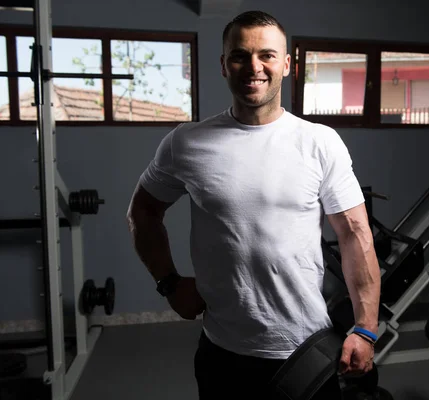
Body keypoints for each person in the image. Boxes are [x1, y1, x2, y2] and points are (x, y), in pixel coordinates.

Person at [126, 10, 381, 399]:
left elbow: (354, 233)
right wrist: (169, 282)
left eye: (266, 55)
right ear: (224, 65)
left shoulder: (319, 143)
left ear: (287, 65)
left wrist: (365, 326)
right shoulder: (186, 142)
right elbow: (142, 211)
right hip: (223, 351)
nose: (254, 67)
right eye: (240, 55)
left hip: (305, 347)